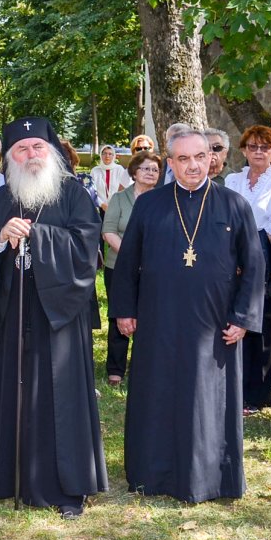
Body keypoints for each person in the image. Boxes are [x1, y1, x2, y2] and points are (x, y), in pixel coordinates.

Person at [111, 130, 264, 503]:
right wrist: (124, 310)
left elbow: (255, 265)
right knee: (158, 391)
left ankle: (211, 475)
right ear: (170, 163)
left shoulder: (234, 204)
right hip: (157, 318)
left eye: (200, 156)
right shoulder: (150, 205)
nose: (193, 165)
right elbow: (127, 262)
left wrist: (243, 316)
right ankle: (153, 472)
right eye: (183, 159)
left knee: (207, 398)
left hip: (214, 323)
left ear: (212, 158)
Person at [0, 117, 107, 518]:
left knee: (58, 399)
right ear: (10, 158)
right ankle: (12, 476)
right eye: (22, 149)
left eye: (37, 148)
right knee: (14, 391)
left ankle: (67, 488)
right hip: (14, 312)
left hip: (58, 317)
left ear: (52, 152)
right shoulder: (1, 199)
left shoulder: (73, 194)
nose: (31, 155)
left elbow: (87, 246)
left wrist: (38, 236)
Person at [226, 124, 271, 413]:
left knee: (262, 323)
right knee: (233, 318)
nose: (258, 152)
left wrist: (247, 237)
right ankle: (233, 388)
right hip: (229, 255)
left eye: (265, 147)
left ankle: (258, 394)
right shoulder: (232, 180)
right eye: (252, 146)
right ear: (243, 150)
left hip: (265, 256)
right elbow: (223, 216)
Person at [99, 150, 162, 385]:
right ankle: (115, 368)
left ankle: (144, 367)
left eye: (155, 170)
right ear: (134, 172)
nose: (151, 173)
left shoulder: (163, 200)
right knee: (120, 316)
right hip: (119, 267)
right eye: (146, 168)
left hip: (153, 269)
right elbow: (108, 232)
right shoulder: (119, 198)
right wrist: (131, 256)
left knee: (149, 318)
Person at [89, 145, 130, 210]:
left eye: (110, 154)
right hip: (100, 207)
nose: (107, 156)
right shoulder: (95, 171)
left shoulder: (119, 169)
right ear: (101, 155)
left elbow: (125, 188)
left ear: (114, 156)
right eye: (104, 153)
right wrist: (102, 204)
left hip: (117, 206)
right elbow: (92, 190)